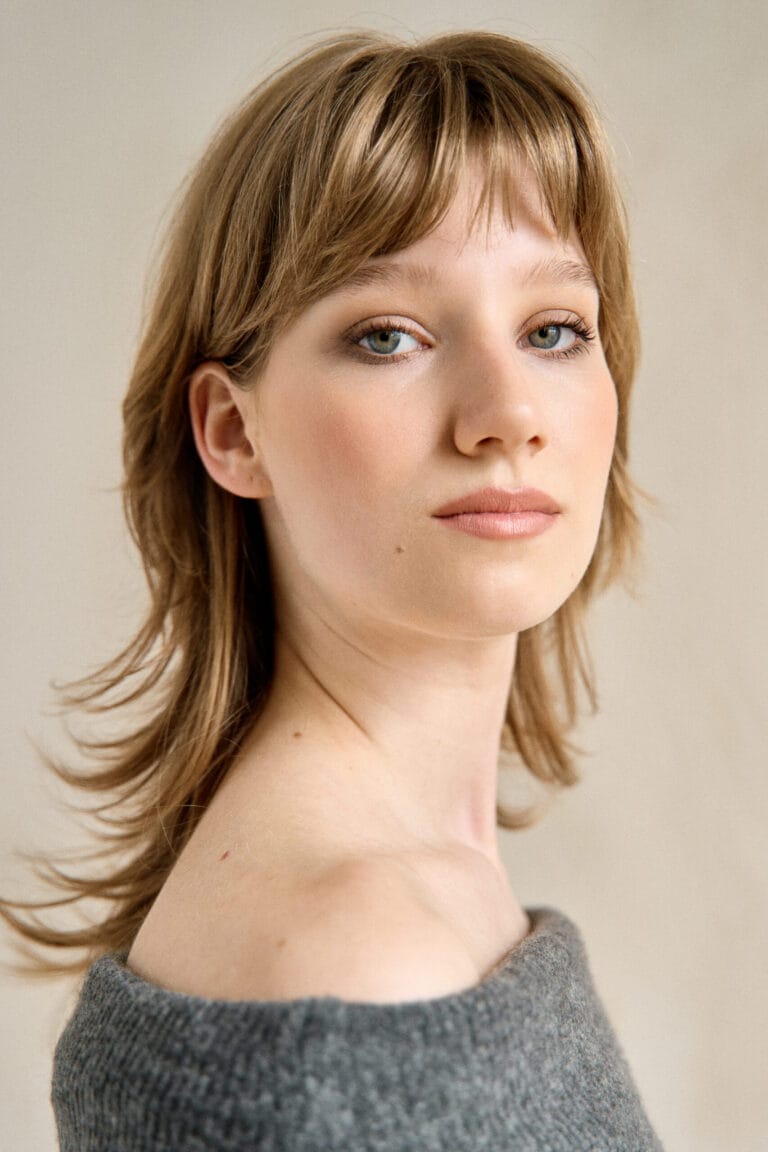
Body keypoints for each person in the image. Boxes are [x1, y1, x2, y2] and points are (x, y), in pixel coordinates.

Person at [2, 28, 665, 1150]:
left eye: (554, 329)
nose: (508, 413)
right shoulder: (356, 968)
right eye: (389, 336)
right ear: (232, 430)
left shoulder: (417, 894)